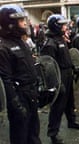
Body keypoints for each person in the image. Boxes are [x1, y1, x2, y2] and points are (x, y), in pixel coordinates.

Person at [0, 4, 41, 144]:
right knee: (20, 136)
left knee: (34, 132)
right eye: (20, 20)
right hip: (20, 96)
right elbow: (5, 80)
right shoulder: (3, 47)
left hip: (31, 94)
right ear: (10, 23)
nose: (25, 22)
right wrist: (16, 105)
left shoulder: (22, 42)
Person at [41, 14, 79, 144]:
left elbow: (66, 57)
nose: (66, 27)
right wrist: (57, 83)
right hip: (59, 77)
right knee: (58, 107)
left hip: (67, 74)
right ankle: (53, 133)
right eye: (63, 25)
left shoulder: (60, 39)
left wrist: (73, 67)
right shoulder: (50, 44)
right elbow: (49, 67)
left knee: (70, 102)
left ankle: (72, 121)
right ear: (56, 26)